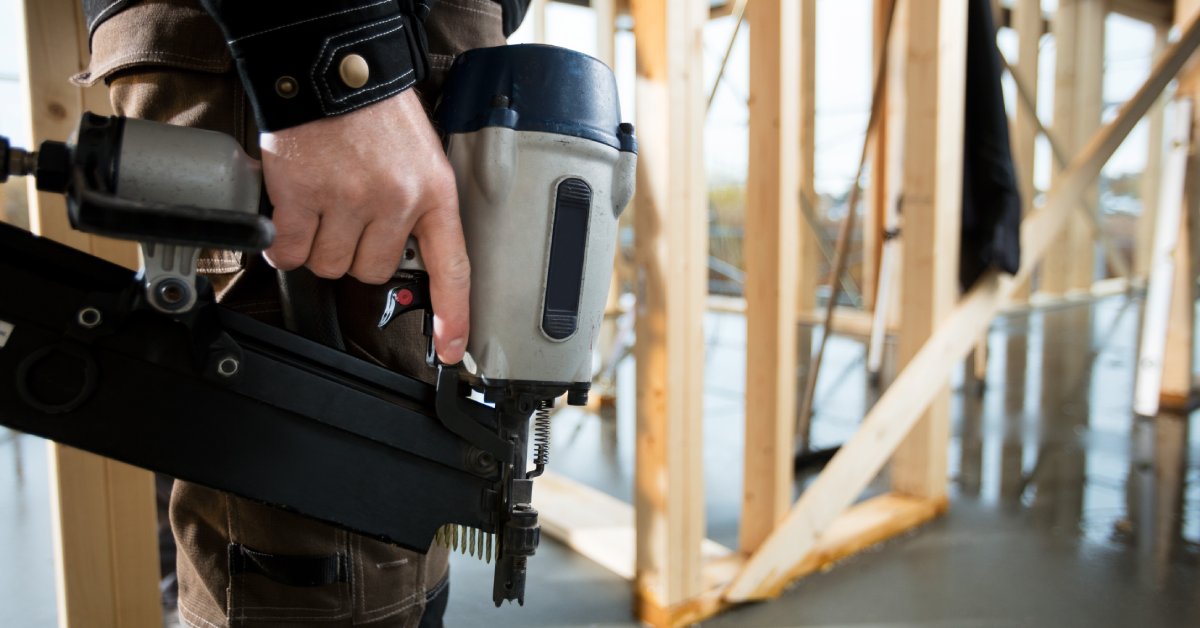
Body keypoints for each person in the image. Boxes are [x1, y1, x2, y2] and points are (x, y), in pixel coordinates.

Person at [73, 1, 529, 626]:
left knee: (394, 552)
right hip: (326, 53)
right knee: (326, 575)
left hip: (407, 55)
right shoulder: (335, 62)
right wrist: (335, 64)